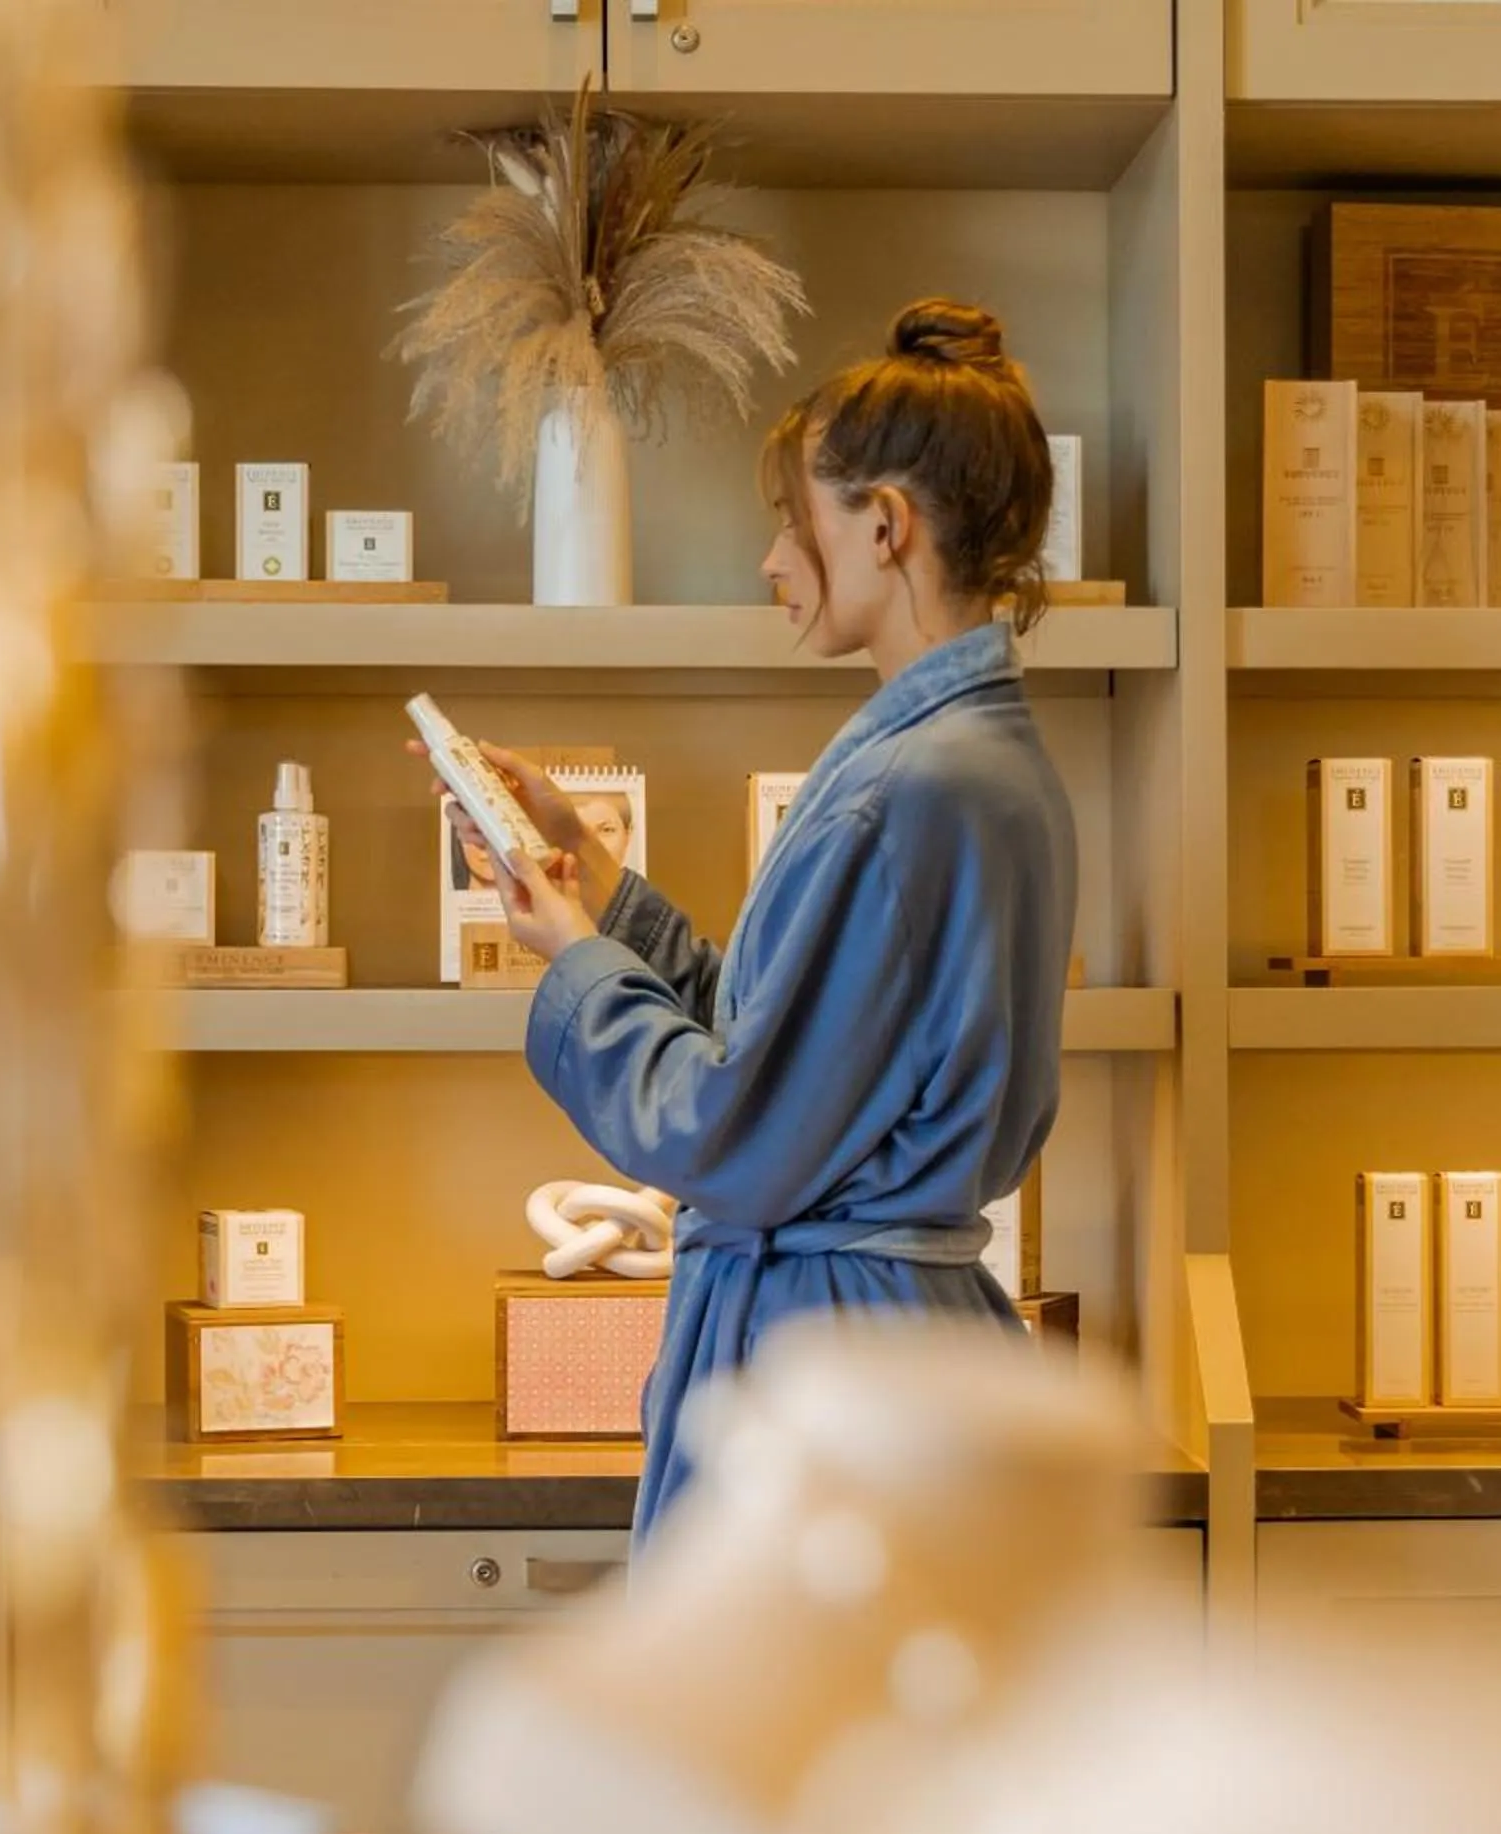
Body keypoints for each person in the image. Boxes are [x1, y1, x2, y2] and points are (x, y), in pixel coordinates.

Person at [438, 297, 1078, 1565]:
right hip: (889, 1344)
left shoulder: (909, 786)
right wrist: (606, 885)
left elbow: (729, 1131)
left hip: (831, 1365)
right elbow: (796, 1053)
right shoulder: (982, 762)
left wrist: (572, 953)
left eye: (794, 523)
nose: (775, 561)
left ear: (883, 527)